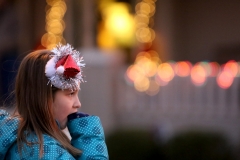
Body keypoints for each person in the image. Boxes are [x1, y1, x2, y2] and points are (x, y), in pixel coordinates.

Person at [0, 44, 109, 159]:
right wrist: (88, 135)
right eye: (71, 93)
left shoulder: (25, 143)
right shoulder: (45, 151)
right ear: (44, 98)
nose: (78, 104)